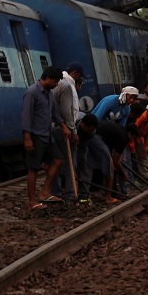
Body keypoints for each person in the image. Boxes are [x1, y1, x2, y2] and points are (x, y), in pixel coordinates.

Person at [21, 66, 70, 210]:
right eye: (55, 82)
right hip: (36, 136)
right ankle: (32, 202)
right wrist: (27, 138)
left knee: (59, 160)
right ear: (47, 79)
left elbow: (54, 113)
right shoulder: (32, 93)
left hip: (48, 135)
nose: (56, 85)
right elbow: (26, 116)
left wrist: (63, 126)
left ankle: (44, 192)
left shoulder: (49, 93)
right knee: (33, 168)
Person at [51, 62, 85, 201]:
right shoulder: (66, 85)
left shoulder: (59, 83)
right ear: (75, 73)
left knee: (57, 161)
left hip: (54, 127)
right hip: (64, 128)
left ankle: (56, 192)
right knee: (70, 160)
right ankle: (71, 193)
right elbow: (67, 110)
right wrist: (73, 131)